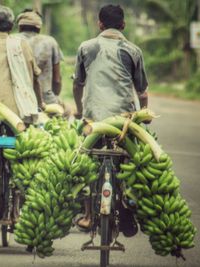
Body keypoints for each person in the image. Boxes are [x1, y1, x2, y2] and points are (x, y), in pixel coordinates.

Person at [73, 5, 149, 236]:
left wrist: (79, 111)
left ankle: (87, 214)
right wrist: (143, 116)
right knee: (132, 160)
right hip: (124, 120)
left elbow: (78, 84)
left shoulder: (86, 47)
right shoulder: (133, 50)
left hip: (94, 119)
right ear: (123, 25)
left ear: (100, 24)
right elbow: (142, 91)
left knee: (86, 161)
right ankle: (129, 198)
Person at [15, 9, 63, 106]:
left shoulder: (11, 40)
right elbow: (57, 80)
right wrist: (56, 97)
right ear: (39, 28)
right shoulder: (50, 42)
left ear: (20, 27)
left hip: (19, 98)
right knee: (67, 111)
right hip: (46, 99)